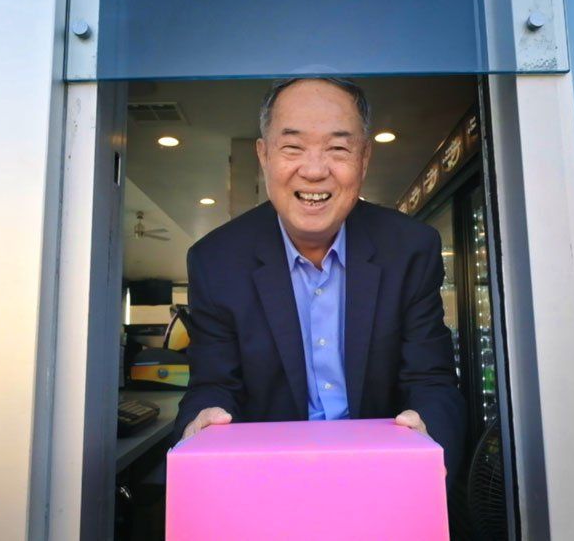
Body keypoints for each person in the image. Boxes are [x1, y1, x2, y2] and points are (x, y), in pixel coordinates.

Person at [173, 77, 466, 479]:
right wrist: (201, 427)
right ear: (263, 155)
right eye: (292, 147)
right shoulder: (216, 261)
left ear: (364, 159)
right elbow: (213, 384)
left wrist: (428, 438)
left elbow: (430, 379)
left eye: (338, 148)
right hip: (269, 478)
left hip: (382, 474)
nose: (313, 171)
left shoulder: (410, 248)